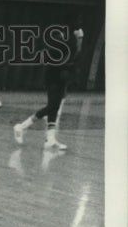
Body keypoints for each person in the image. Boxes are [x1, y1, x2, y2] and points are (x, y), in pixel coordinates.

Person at [13, 18, 84, 149]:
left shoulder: (65, 40)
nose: (78, 31)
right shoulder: (59, 40)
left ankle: (50, 140)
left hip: (60, 78)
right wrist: (79, 41)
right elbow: (71, 59)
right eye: (77, 29)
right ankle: (21, 127)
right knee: (52, 107)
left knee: (54, 108)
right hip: (54, 78)